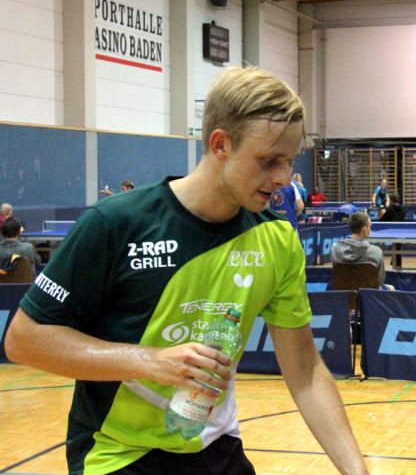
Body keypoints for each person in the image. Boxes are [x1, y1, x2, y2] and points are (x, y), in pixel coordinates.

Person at [5, 66, 368, 475]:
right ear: (220, 144)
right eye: (268, 161)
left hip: (216, 447)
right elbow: (24, 340)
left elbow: (306, 371)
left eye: (288, 161)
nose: (283, 178)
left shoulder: (277, 239)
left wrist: (357, 471)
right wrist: (148, 360)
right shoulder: (116, 223)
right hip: (117, 454)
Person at [331, 212, 393, 290]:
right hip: (368, 295)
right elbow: (380, 281)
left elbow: (336, 274)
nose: (370, 230)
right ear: (364, 229)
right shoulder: (376, 251)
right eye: (370, 226)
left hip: (344, 293)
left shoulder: (335, 248)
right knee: (391, 288)